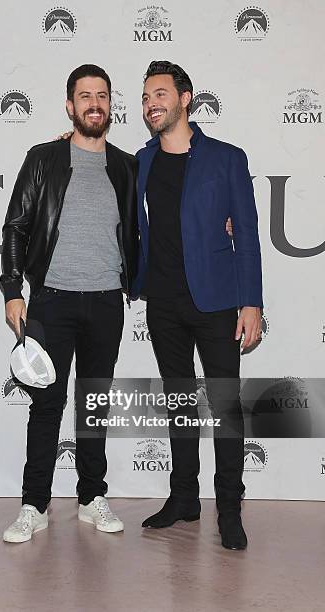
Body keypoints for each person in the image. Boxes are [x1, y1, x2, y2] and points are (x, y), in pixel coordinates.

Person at [0, 64, 138, 543]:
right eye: (85, 96)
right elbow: (16, 225)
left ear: (110, 104)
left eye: (102, 95)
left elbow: (160, 211)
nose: (94, 103)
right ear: (70, 105)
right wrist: (12, 290)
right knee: (46, 405)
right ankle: (33, 504)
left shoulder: (126, 165)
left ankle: (90, 497)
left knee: (93, 404)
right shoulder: (43, 158)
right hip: (50, 302)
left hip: (105, 302)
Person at [132, 61, 263, 550]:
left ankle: (230, 509)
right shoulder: (140, 160)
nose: (151, 104)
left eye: (160, 94)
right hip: (162, 301)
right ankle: (184, 498)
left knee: (226, 407)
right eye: (145, 97)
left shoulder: (227, 158)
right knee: (180, 404)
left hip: (217, 302)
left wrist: (250, 302)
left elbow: (247, 234)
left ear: (186, 98)